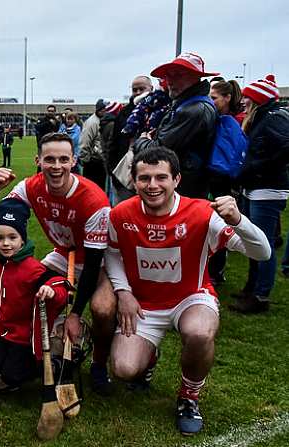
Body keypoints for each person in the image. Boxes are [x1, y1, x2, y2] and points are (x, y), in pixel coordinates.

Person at [106, 147, 269, 435]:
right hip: (145, 304)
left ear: (176, 179)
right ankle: (149, 357)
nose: (153, 186)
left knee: (199, 332)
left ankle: (189, 397)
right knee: (123, 369)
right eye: (144, 178)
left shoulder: (203, 214)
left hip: (190, 298)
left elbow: (263, 252)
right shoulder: (120, 214)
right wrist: (123, 292)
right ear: (133, 181)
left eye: (161, 178)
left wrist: (239, 221)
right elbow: (113, 254)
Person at [0, 132, 114, 395]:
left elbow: (92, 263)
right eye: (49, 159)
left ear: (73, 161)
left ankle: (99, 365)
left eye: (63, 159)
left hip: (102, 263)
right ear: (38, 160)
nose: (56, 166)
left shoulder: (94, 200)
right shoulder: (31, 187)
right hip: (64, 253)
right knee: (29, 290)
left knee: (102, 309)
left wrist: (75, 314)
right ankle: (34, 351)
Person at [0, 200, 69, 391]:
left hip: (25, 336)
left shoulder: (33, 268)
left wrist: (52, 292)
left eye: (12, 237)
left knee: (11, 376)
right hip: (2, 331)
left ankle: (52, 364)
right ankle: (9, 367)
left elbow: (60, 287)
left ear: (22, 239)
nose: (5, 243)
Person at [231, 75, 289, 313]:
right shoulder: (264, 117)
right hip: (256, 188)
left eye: (247, 97)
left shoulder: (274, 118)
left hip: (267, 189)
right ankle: (252, 287)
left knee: (262, 242)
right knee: (253, 239)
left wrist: (259, 167)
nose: (243, 101)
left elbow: (285, 148)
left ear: (257, 99)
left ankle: (261, 295)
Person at [133, 52, 219, 199]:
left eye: (178, 75)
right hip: (185, 186)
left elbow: (158, 152)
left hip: (186, 189)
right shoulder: (188, 105)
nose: (170, 81)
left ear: (195, 77)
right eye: (168, 76)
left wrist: (142, 141)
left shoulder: (193, 110)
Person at [206, 79, 245, 286]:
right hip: (217, 178)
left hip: (220, 179)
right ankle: (213, 270)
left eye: (214, 98)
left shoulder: (229, 122)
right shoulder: (221, 119)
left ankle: (216, 271)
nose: (210, 102)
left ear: (227, 98)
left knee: (219, 224)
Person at [105, 76, 154, 205]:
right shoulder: (124, 112)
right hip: (122, 174)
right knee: (122, 212)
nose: (138, 93)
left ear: (151, 89)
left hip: (150, 173)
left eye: (141, 89)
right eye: (134, 90)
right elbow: (113, 142)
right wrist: (112, 168)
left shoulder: (159, 110)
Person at [80, 101, 108, 189]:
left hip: (100, 160)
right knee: (92, 188)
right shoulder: (92, 122)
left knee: (99, 189)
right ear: (99, 110)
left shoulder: (101, 120)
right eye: (103, 109)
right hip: (93, 162)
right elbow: (85, 142)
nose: (105, 111)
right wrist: (86, 160)